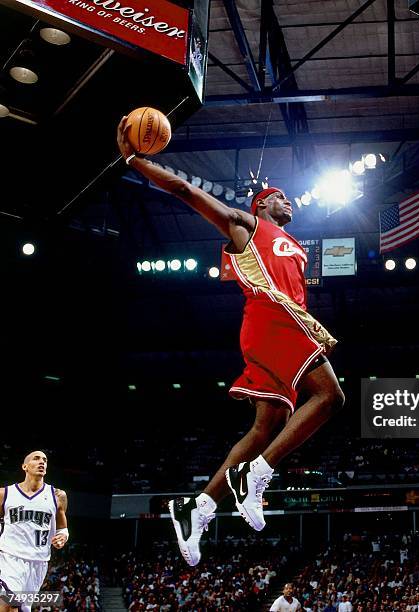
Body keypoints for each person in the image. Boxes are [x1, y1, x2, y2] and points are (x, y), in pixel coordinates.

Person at [116, 118, 344, 565]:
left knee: (266, 425)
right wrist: (135, 160)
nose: (288, 199)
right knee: (331, 397)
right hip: (270, 320)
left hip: (282, 323)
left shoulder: (293, 244)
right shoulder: (247, 227)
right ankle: (257, 475)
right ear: (260, 206)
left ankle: (197, 509)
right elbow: (185, 191)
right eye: (278, 196)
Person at [0, 451, 69, 612]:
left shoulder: (58, 496)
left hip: (39, 562)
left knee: (22, 608)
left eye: (44, 460)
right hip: (9, 558)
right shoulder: (5, 494)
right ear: (25, 466)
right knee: (8, 604)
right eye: (36, 458)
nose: (42, 462)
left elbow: (63, 529)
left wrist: (62, 537)